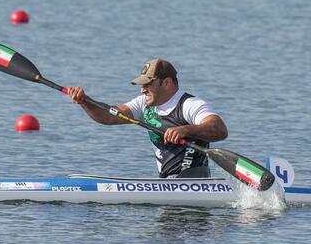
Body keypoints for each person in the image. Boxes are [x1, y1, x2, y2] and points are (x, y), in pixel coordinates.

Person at [66, 58, 228, 178]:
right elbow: (109, 116)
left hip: (196, 184)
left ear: (166, 83)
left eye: (148, 84)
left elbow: (219, 129)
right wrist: (85, 101)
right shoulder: (144, 104)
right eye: (142, 85)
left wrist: (185, 129)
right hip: (168, 185)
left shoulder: (189, 104)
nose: (143, 90)